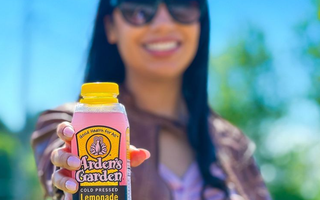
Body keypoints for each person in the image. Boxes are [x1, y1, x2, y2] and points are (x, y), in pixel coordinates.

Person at [31, 0, 272, 200]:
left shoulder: (234, 143)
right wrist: (69, 181)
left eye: (182, 4)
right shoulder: (71, 121)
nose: (164, 23)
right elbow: (58, 167)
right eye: (139, 8)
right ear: (111, 27)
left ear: (200, 21)